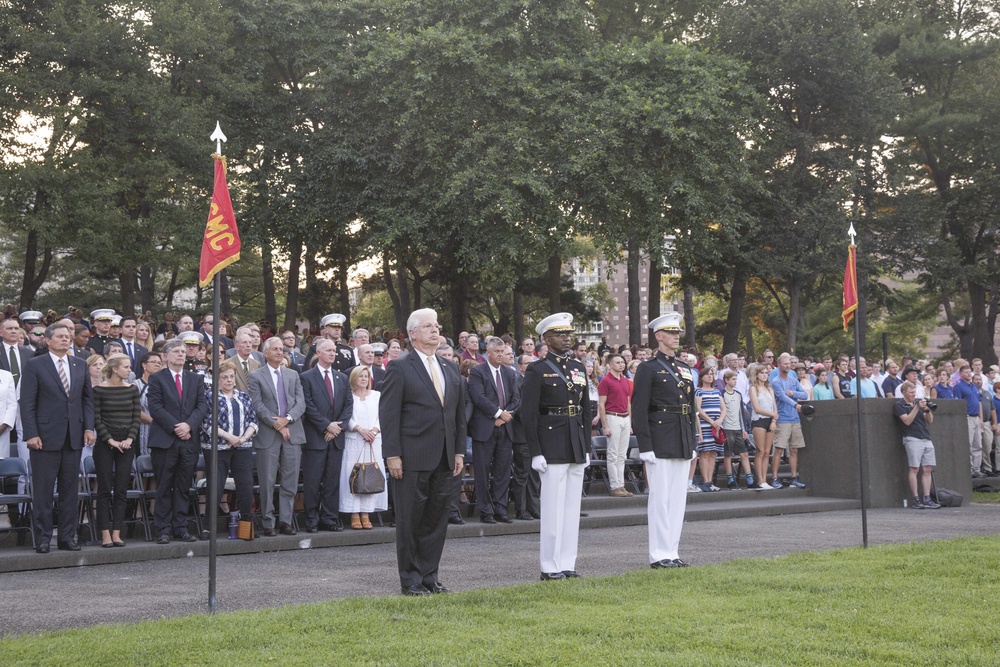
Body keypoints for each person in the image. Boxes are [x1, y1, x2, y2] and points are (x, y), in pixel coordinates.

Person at [379, 308, 466, 595]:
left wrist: (458, 452)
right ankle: (411, 579)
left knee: (436, 519)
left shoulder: (450, 367)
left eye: (437, 325)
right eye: (428, 326)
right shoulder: (400, 367)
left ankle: (430, 575)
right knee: (410, 520)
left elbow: (457, 415)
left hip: (444, 456)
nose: (435, 329)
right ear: (413, 333)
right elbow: (389, 414)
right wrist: (392, 454)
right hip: (412, 457)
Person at [521, 313, 591, 580]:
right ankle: (549, 566)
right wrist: (536, 451)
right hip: (550, 442)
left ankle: (567, 562)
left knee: (572, 508)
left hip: (574, 441)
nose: (566, 338)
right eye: (561, 334)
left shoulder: (578, 367)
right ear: (546, 340)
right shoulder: (537, 370)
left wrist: (585, 447)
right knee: (552, 508)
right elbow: (528, 415)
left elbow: (585, 409)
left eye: (568, 334)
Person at [20, 322, 96, 553]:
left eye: (68, 335)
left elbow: (86, 400)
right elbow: (28, 402)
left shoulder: (80, 364)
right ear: (48, 340)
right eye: (61, 336)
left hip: (73, 437)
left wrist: (88, 428)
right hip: (44, 437)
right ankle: (43, 539)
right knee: (43, 490)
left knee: (69, 490)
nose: (66, 339)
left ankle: (66, 537)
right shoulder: (35, 364)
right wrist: (31, 433)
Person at [631, 312, 696, 568]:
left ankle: (673, 551)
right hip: (659, 438)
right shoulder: (648, 368)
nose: (676, 336)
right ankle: (659, 554)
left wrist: (691, 442)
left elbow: (690, 408)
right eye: (671, 332)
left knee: (678, 500)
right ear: (659, 336)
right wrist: (645, 446)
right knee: (660, 500)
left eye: (678, 332)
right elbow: (639, 409)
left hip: (680, 437)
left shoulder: (685, 369)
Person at [147, 339, 209, 544]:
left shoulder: (195, 379)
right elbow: (155, 408)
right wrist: (177, 427)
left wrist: (188, 426)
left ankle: (181, 527)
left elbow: (202, 406)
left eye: (183, 351)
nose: (181, 354)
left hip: (189, 440)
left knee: (183, 486)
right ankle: (163, 530)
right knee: (164, 486)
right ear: (165, 356)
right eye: (176, 351)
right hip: (165, 440)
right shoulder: (157, 379)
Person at [249, 337, 308, 536]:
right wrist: (277, 423)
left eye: (281, 349)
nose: (279, 352)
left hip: (292, 432)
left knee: (290, 480)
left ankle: (286, 520)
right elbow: (257, 405)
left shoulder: (293, 374)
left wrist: (287, 419)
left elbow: (301, 402)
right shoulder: (256, 376)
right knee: (267, 480)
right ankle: (267, 522)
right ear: (265, 353)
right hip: (268, 434)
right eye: (274, 349)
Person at [299, 338, 353, 533]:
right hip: (316, 438)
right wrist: (326, 426)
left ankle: (329, 518)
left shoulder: (342, 378)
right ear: (318, 353)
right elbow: (308, 406)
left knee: (332, 481)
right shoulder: (306, 377)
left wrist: (337, 428)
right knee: (313, 482)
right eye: (329, 350)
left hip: (336, 438)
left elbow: (348, 405)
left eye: (334, 351)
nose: (333, 353)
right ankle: (312, 520)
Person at [467, 336, 521, 524]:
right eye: (496, 352)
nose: (500, 355)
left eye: (502, 351)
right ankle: (486, 510)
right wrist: (498, 414)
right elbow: (478, 397)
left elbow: (516, 398)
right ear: (488, 353)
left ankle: (501, 508)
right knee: (482, 472)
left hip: (505, 429)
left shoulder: (509, 373)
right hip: (484, 429)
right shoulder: (477, 371)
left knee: (503, 472)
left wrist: (505, 416)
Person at [200, 361, 257, 529]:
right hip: (217, 448)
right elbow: (206, 423)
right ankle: (209, 528)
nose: (229, 380)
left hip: (242, 447)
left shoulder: (243, 396)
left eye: (231, 376)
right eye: (224, 377)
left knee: (246, 485)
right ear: (217, 378)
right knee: (216, 487)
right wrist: (230, 437)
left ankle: (246, 525)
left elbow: (253, 420)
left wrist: (243, 438)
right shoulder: (209, 396)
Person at [92, 353, 141, 548]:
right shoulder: (98, 390)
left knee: (121, 489)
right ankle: (104, 534)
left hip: (127, 444)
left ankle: (117, 533)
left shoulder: (132, 389)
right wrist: (110, 439)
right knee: (104, 489)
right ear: (115, 369)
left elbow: (136, 416)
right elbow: (96, 418)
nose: (129, 370)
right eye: (126, 367)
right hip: (105, 443)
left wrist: (129, 438)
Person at [340, 366, 389, 529]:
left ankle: (366, 513)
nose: (363, 379)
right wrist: (360, 429)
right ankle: (354, 513)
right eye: (360, 376)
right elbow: (346, 417)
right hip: (354, 440)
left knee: (370, 475)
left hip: (373, 441)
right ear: (354, 378)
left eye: (366, 376)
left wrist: (374, 431)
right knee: (354, 475)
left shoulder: (377, 396)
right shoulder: (348, 396)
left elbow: (383, 415)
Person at [894, 381, 941, 509]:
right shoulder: (899, 405)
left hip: (926, 437)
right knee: (914, 468)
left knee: (927, 469)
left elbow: (930, 421)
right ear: (904, 393)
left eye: (914, 392)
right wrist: (916, 407)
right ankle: (915, 498)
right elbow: (907, 421)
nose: (913, 395)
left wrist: (927, 410)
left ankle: (926, 498)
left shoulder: (918, 403)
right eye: (911, 393)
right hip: (912, 438)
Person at [769, 353, 808, 489]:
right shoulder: (776, 382)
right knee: (779, 449)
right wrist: (796, 405)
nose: (787, 365)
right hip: (783, 419)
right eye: (784, 363)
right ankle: (774, 477)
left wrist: (794, 393)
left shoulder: (793, 380)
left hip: (795, 419)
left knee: (794, 449)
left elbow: (804, 394)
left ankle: (793, 477)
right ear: (779, 365)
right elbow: (782, 397)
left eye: (789, 363)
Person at [598, 353, 632, 497]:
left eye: (622, 362)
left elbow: (628, 402)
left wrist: (630, 421)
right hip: (613, 417)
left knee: (622, 454)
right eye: (618, 362)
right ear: (611, 364)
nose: (621, 364)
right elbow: (601, 404)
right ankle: (614, 486)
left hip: (625, 417)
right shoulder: (606, 381)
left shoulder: (625, 381)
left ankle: (621, 484)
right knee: (613, 454)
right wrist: (605, 425)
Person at [720, 369, 753, 489]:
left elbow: (741, 413)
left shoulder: (738, 394)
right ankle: (730, 478)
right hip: (727, 428)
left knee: (744, 453)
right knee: (728, 454)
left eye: (736, 379)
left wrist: (744, 429)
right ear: (726, 380)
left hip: (738, 427)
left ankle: (749, 478)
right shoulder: (722, 394)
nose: (735, 381)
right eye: (733, 379)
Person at [694, 368, 723, 492]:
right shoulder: (698, 392)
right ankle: (705, 480)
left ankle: (710, 481)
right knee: (705, 453)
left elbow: (723, 408)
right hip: (705, 425)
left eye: (711, 374)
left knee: (713, 453)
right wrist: (711, 421)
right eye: (707, 375)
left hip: (716, 425)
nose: (710, 377)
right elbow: (698, 409)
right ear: (701, 377)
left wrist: (719, 421)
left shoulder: (717, 392)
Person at [749, 364, 778, 490]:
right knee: (760, 451)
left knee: (767, 452)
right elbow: (757, 408)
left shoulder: (770, 389)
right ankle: (760, 480)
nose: (765, 375)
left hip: (770, 421)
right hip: (759, 421)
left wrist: (773, 420)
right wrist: (773, 414)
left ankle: (764, 479)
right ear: (757, 374)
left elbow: (774, 407)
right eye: (762, 373)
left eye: (767, 373)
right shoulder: (753, 388)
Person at [134, 351, 162, 456]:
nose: (157, 365)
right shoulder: (136, 385)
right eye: (154, 362)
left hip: (161, 430)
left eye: (159, 363)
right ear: (144, 365)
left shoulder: (163, 385)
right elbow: (134, 409)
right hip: (141, 429)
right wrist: (153, 421)